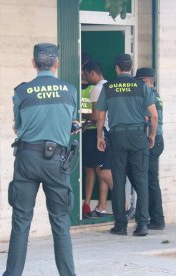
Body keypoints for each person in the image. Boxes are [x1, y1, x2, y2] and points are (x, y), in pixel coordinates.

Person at [3, 43, 77, 276]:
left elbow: (18, 127)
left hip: (27, 159)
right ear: (57, 63)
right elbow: (70, 124)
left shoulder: (21, 91)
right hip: (57, 162)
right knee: (61, 222)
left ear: (34, 63)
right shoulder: (70, 90)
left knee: (21, 222)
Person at [96, 53, 158, 237]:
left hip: (117, 137)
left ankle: (121, 225)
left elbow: (100, 116)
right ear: (130, 68)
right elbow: (154, 115)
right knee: (141, 180)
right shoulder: (141, 86)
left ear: (116, 68)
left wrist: (99, 136)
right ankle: (142, 225)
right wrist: (152, 135)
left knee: (119, 180)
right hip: (139, 136)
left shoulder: (108, 87)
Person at [135, 67, 165, 230]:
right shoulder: (156, 95)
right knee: (151, 181)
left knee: (147, 181)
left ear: (144, 81)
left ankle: (154, 219)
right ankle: (156, 218)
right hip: (158, 139)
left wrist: (151, 136)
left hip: (152, 140)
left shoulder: (148, 95)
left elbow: (151, 117)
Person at [83, 60, 112, 217]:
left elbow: (95, 116)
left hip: (100, 134)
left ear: (93, 73)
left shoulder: (97, 89)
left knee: (103, 171)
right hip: (112, 133)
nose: (86, 78)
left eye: (86, 75)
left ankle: (124, 204)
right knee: (103, 168)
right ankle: (101, 207)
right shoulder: (110, 86)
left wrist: (80, 115)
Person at [80, 53, 98, 218]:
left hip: (91, 133)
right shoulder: (72, 86)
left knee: (91, 169)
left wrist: (82, 117)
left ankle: (86, 203)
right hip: (76, 133)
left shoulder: (94, 88)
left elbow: (94, 115)